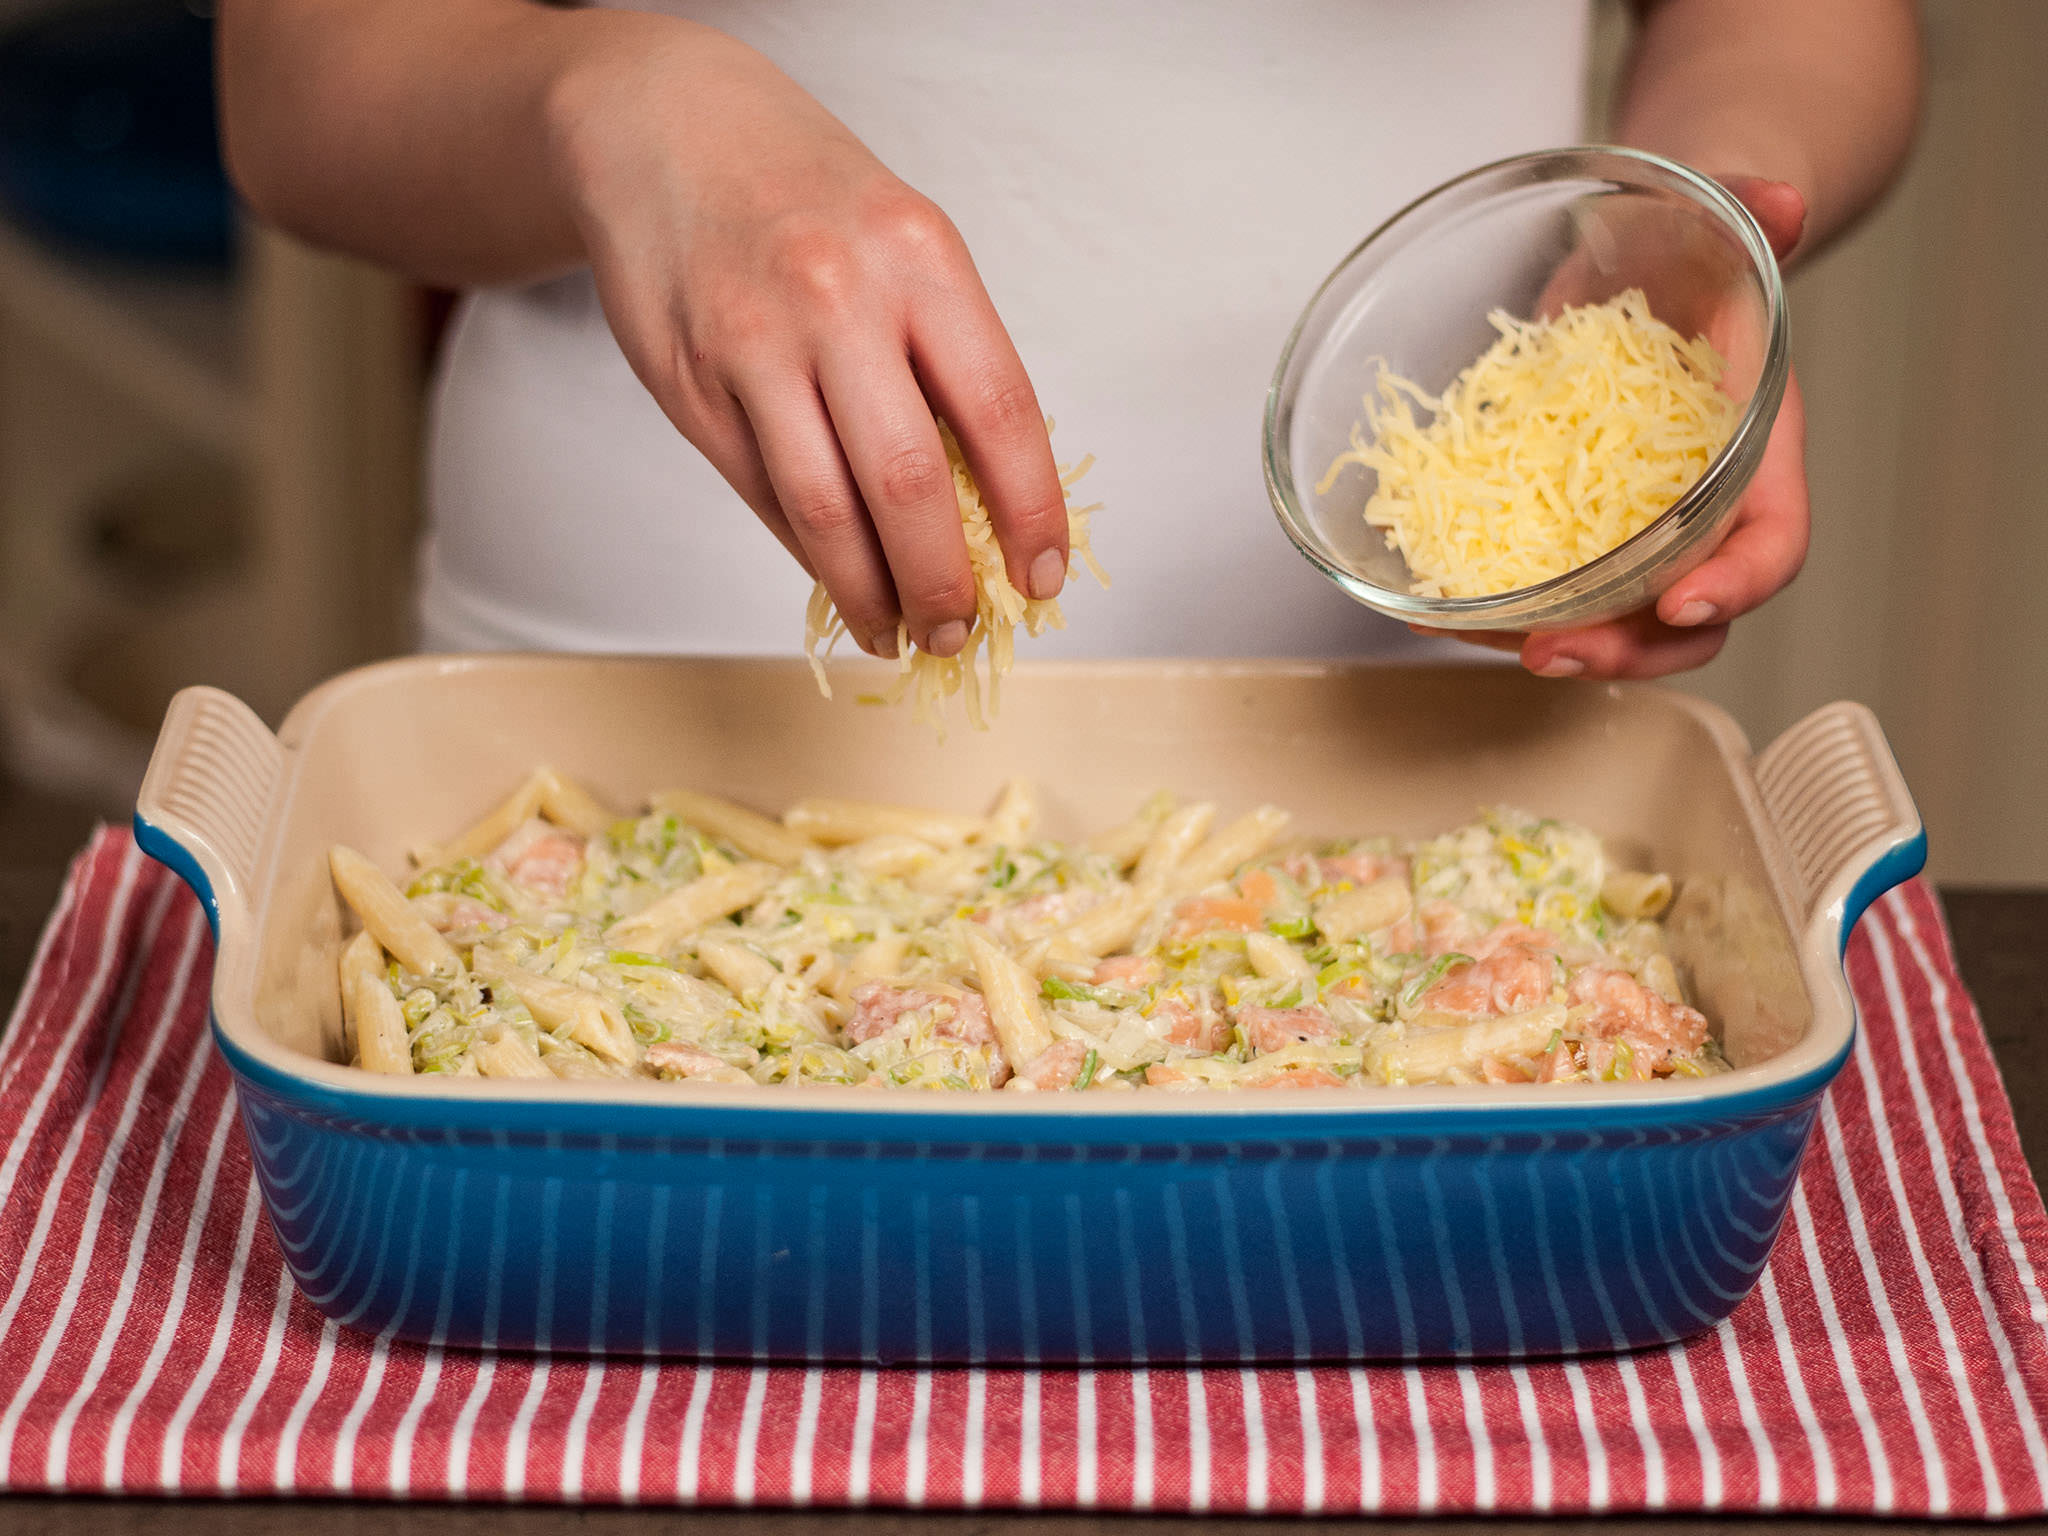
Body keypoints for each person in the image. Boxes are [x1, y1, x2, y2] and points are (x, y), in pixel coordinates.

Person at [217, 0, 1920, 679]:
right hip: (608, 714)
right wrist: (612, 105)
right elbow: (305, 90)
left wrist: (1685, 221)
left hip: (1442, 740)